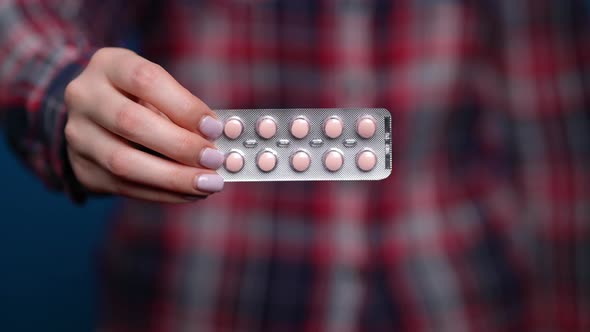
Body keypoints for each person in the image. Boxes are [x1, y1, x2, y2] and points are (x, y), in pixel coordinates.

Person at [1, 0, 589, 331]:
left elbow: (552, 122)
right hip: (201, 297)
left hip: (464, 296)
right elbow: (21, 17)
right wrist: (59, 90)